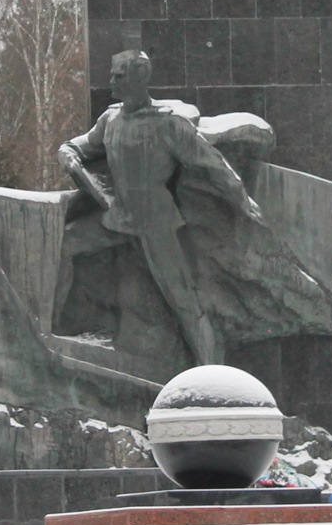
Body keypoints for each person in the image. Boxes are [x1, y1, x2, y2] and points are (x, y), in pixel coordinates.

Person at [58, 49, 262, 364]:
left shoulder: (168, 123)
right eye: (113, 74)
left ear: (139, 79)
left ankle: (214, 372)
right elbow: (78, 144)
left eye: (119, 75)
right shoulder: (110, 118)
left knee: (182, 299)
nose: (111, 80)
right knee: (67, 244)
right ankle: (54, 329)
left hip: (157, 223)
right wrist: (68, 154)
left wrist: (241, 198)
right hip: (119, 217)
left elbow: (212, 164)